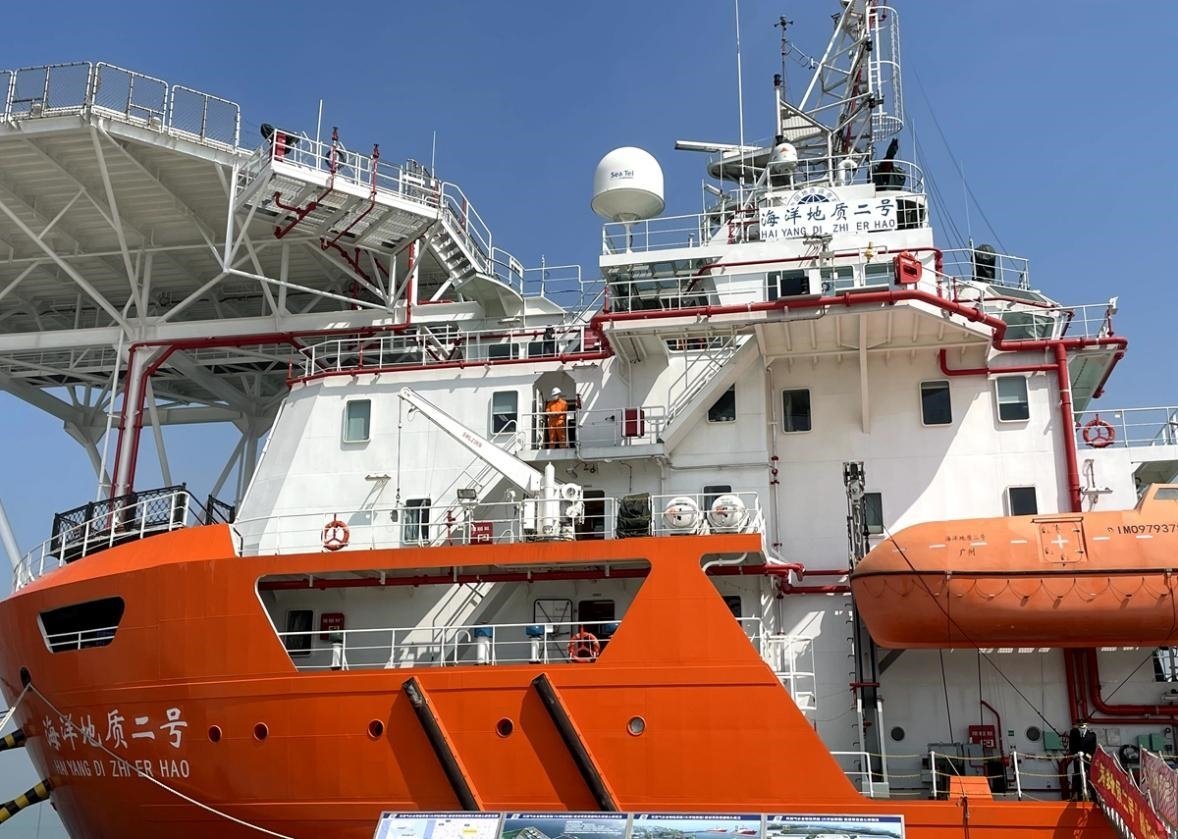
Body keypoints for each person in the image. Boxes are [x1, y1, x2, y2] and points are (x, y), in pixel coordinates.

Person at [1068, 720, 1097, 801]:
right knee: (1077, 776)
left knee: (1089, 776)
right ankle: (1077, 795)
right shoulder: (1074, 733)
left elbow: (1093, 749)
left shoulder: (1092, 735)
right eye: (1080, 726)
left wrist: (1087, 756)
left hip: (1087, 759)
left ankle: (1093, 795)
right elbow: (1071, 746)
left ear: (1086, 726)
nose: (1081, 728)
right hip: (1077, 758)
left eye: (1083, 726)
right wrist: (1075, 754)